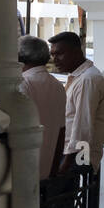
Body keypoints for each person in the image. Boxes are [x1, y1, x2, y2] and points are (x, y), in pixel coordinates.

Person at [49, 32, 104, 175]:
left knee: (64, 196)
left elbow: (83, 125)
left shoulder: (88, 79)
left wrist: (66, 164)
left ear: (76, 52)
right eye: (53, 55)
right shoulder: (79, 77)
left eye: (60, 54)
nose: (55, 59)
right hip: (69, 153)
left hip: (76, 156)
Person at [18, 36, 66, 179]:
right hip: (46, 168)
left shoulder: (24, 83)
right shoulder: (57, 86)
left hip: (23, 169)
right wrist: (54, 169)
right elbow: (61, 132)